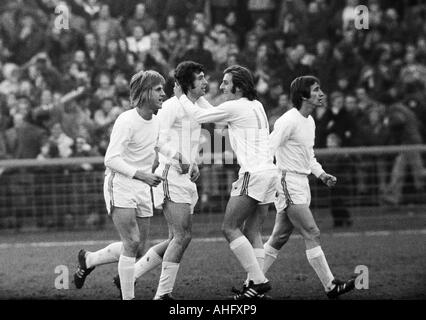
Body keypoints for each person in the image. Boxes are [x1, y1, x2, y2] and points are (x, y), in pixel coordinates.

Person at [73, 70, 188, 300]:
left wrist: (178, 156)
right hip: (121, 184)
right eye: (158, 89)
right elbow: (111, 159)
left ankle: (89, 260)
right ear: (145, 93)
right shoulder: (126, 120)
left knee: (138, 248)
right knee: (132, 241)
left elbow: (158, 144)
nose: (163, 94)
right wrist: (142, 176)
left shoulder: (155, 120)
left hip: (141, 186)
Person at [175, 65, 278, 299]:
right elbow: (214, 111)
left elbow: (200, 116)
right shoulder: (256, 104)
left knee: (229, 228)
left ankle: (259, 281)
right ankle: (254, 287)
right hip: (270, 172)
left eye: (225, 82)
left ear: (238, 87)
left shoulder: (234, 106)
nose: (220, 86)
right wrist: (199, 98)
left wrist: (181, 96)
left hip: (253, 174)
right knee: (252, 230)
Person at [123, 61, 211, 300]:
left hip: (185, 176)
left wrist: (192, 164)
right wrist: (179, 158)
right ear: (187, 84)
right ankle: (162, 295)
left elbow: (192, 138)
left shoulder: (197, 106)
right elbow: (158, 140)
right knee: (182, 237)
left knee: (177, 238)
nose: (206, 81)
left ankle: (128, 278)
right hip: (170, 175)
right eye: (201, 77)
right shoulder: (171, 106)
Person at [262, 76, 356, 299]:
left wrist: (321, 174)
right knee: (312, 231)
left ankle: (251, 283)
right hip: (287, 181)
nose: (321, 93)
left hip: (301, 183)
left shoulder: (309, 121)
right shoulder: (288, 121)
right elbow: (268, 148)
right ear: (304, 96)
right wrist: (267, 178)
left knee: (279, 237)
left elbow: (309, 156)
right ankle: (331, 285)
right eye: (316, 90)